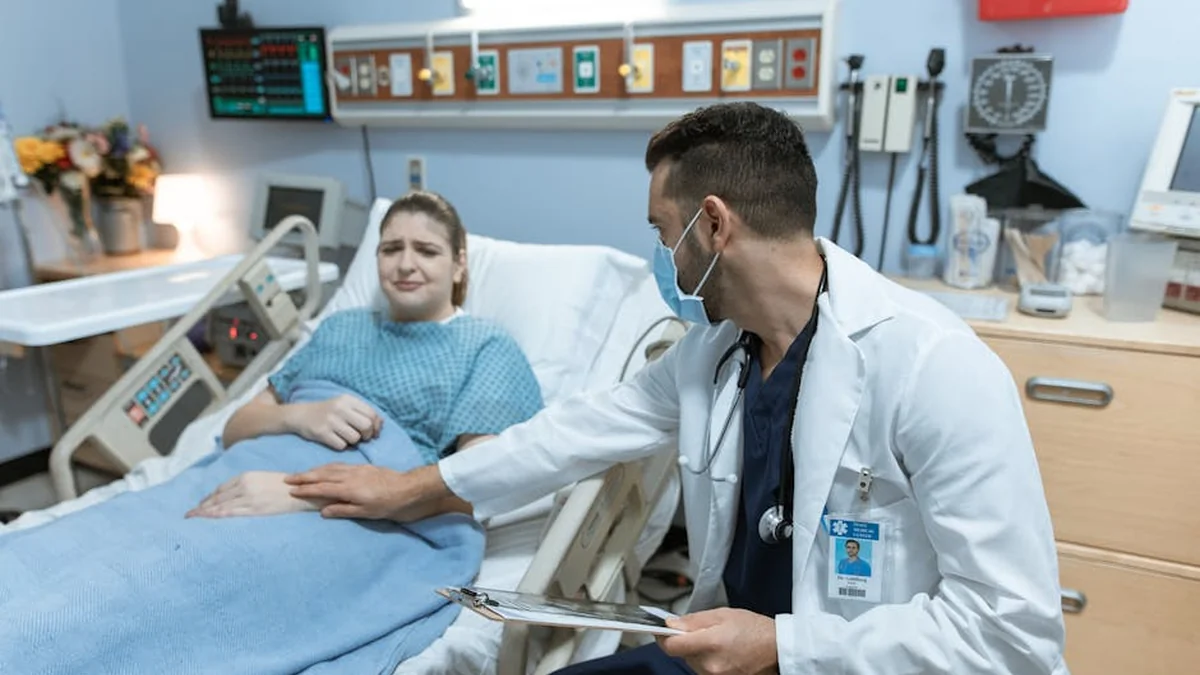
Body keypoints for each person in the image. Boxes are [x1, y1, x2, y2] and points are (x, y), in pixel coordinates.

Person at [258, 103, 1065, 674]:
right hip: (725, 655)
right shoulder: (713, 354)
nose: (658, 254)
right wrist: (412, 489)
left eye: (660, 231)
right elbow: (571, 433)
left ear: (713, 225)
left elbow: (1014, 639)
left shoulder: (934, 368)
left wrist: (785, 646)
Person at [0, 190, 545, 674]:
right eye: (390, 248)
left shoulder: (485, 347)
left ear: (459, 263)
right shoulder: (341, 328)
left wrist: (304, 493)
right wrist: (299, 416)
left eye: (426, 250)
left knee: (160, 582)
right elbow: (239, 427)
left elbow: (480, 483)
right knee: (78, 552)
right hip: (236, 475)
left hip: (355, 515)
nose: (405, 263)